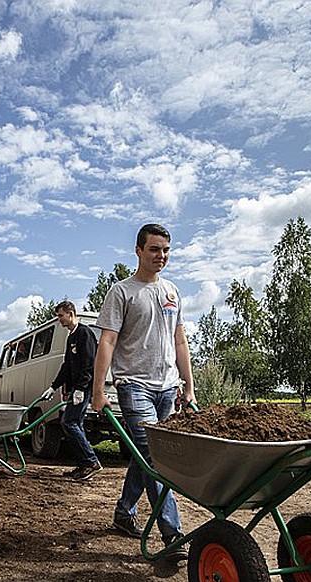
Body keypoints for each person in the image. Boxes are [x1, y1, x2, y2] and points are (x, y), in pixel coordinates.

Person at [91, 223, 196, 560]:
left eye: (165, 250)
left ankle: (124, 513)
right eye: (153, 249)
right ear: (138, 251)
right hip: (134, 386)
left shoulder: (172, 292)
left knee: (145, 457)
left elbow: (180, 340)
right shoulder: (122, 292)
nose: (160, 256)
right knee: (156, 460)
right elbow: (107, 341)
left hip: (168, 389)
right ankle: (173, 536)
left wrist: (189, 385)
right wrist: (98, 390)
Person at [39, 300, 101, 480]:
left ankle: (91, 461)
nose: (59, 320)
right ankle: (83, 465)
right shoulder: (71, 337)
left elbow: (89, 364)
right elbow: (67, 366)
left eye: (60, 315)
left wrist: (81, 388)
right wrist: (53, 386)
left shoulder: (84, 333)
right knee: (76, 424)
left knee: (69, 422)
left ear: (70, 313)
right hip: (75, 387)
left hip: (84, 387)